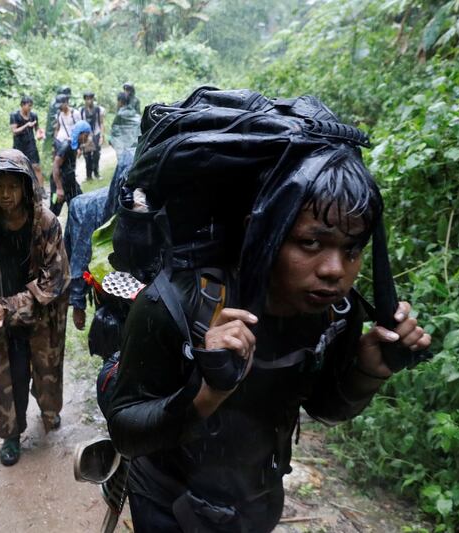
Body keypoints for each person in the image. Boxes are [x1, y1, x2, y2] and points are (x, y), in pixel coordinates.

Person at [104, 121, 432, 529]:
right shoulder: (173, 304)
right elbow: (126, 432)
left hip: (257, 500)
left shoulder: (335, 313)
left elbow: (322, 406)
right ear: (263, 232)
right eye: (311, 243)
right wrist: (207, 392)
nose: (334, 270)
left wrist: (368, 369)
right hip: (167, 500)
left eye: (352, 249)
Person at [0, 149, 70, 467]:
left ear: (26, 188)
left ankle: (49, 410)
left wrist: (7, 306)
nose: (5, 195)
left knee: (46, 371)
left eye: (12, 186)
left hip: (43, 315)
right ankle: (11, 434)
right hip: (4, 318)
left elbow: (54, 280)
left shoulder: (47, 223)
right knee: (9, 375)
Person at [50, 120, 91, 216]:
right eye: (86, 135)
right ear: (80, 133)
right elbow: (56, 166)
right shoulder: (66, 145)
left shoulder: (74, 145)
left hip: (70, 182)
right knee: (54, 212)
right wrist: (59, 188)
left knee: (79, 205)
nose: (87, 137)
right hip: (59, 183)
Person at [10, 95, 45, 189]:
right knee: (19, 167)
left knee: (36, 166)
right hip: (19, 145)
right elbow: (14, 131)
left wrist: (40, 134)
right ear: (22, 105)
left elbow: (37, 129)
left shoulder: (33, 115)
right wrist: (26, 125)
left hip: (31, 144)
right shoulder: (14, 115)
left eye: (31, 105)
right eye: (28, 105)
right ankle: (21, 188)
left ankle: (41, 189)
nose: (30, 108)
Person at [80, 91, 104, 180]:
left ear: (93, 99)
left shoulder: (98, 109)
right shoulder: (81, 110)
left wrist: (101, 136)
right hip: (85, 136)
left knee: (96, 154)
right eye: (87, 99)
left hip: (96, 133)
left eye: (91, 98)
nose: (89, 101)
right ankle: (88, 176)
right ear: (85, 100)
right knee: (87, 155)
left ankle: (96, 173)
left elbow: (101, 123)